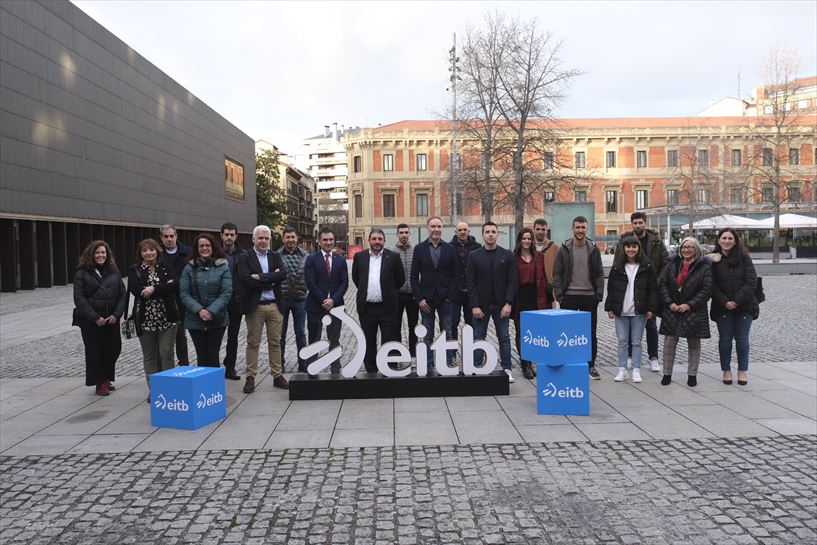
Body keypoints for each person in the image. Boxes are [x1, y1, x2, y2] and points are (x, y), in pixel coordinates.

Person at [615, 212, 669, 372]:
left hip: (650, 289)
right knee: (631, 325)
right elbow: (618, 262)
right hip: (630, 288)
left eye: (640, 223)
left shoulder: (656, 242)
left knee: (651, 325)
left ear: (645, 223)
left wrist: (656, 282)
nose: (638, 225)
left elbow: (665, 263)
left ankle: (653, 358)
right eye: (635, 223)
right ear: (632, 224)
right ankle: (630, 356)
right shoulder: (624, 241)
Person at [552, 216, 605, 380]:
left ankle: (591, 366)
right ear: (572, 229)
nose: (580, 230)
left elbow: (599, 273)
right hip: (570, 297)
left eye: (583, 227)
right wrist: (561, 296)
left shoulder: (593, 249)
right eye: (577, 227)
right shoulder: (564, 249)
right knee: (568, 334)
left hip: (589, 297)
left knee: (590, 333)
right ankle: (570, 365)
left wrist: (598, 295)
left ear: (586, 229)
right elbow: (557, 274)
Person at [72, 240, 127, 396]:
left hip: (111, 320)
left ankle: (107, 376)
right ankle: (100, 382)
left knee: (113, 349)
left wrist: (117, 314)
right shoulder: (81, 273)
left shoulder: (114, 272)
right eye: (97, 252)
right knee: (95, 352)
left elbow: (122, 293)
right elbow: (79, 298)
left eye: (103, 252)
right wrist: (95, 317)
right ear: (91, 255)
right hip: (91, 321)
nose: (101, 255)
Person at [238, 225, 288, 392]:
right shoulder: (245, 257)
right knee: (253, 343)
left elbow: (283, 274)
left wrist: (260, 277)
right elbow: (246, 280)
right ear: (253, 239)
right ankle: (250, 377)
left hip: (274, 305)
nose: (263, 241)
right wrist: (271, 280)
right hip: (255, 307)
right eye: (260, 238)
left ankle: (277, 375)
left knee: (275, 342)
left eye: (266, 238)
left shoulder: (275, 255)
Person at [658, 237, 713, 387]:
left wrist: (689, 304)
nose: (686, 250)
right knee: (669, 344)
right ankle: (667, 374)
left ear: (696, 249)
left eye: (690, 247)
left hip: (694, 310)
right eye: (684, 247)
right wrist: (670, 303)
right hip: (673, 309)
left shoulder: (704, 267)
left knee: (694, 344)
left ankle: (692, 375)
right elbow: (662, 284)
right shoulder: (672, 264)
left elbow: (706, 289)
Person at [467, 222, 517, 382]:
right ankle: (476, 367)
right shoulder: (474, 255)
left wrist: (509, 303)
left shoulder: (507, 255)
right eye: (487, 232)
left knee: (504, 337)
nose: (490, 234)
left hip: (501, 305)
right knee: (478, 337)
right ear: (482, 234)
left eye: (493, 231)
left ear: (497, 234)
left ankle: (507, 369)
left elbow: (512, 280)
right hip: (481, 305)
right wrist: (474, 305)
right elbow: (470, 282)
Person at [127, 239, 179, 395]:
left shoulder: (165, 267)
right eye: (144, 250)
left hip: (167, 319)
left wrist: (153, 289)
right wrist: (163, 287)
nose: (149, 253)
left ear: (157, 251)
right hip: (145, 320)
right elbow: (136, 290)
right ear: (140, 253)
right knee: (149, 355)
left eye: (152, 250)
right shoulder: (134, 269)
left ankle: (169, 388)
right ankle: (155, 390)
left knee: (166, 353)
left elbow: (175, 285)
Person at [707, 228, 758, 386]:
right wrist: (725, 301)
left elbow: (751, 282)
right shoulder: (713, 259)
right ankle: (726, 370)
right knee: (725, 339)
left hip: (744, 305)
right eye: (724, 238)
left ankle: (742, 370)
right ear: (719, 240)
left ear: (735, 241)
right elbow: (710, 284)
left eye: (730, 238)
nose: (726, 241)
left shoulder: (744, 257)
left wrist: (736, 301)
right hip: (722, 306)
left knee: (742, 339)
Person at [605, 235, 659, 384]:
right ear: (624, 248)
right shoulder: (617, 266)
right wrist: (610, 307)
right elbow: (611, 288)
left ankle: (636, 369)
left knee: (636, 341)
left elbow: (652, 289)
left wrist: (651, 308)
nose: (631, 249)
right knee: (622, 341)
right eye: (628, 246)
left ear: (638, 248)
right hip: (621, 311)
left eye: (634, 246)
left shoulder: (646, 266)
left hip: (639, 311)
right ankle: (622, 370)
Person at [352, 228, 406, 373]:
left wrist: (389, 292)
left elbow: (400, 279)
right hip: (367, 308)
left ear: (384, 241)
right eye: (374, 239)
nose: (377, 242)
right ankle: (371, 369)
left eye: (379, 239)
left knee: (389, 339)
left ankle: (389, 367)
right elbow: (357, 279)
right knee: (368, 340)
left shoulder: (393, 257)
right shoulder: (359, 257)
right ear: (369, 240)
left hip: (387, 307)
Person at [411, 216, 460, 372]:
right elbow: (413, 276)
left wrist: (450, 296)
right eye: (433, 226)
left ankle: (446, 364)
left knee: (447, 332)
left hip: (445, 299)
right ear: (428, 228)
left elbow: (456, 276)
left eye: (439, 226)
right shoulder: (419, 249)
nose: (436, 229)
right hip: (426, 300)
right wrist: (419, 299)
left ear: (442, 228)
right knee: (427, 334)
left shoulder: (450, 249)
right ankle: (428, 364)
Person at [179, 234, 232, 368]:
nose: (204, 248)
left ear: (213, 247)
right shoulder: (189, 268)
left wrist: (210, 311)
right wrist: (200, 310)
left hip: (217, 318)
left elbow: (226, 293)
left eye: (207, 245)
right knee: (201, 356)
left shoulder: (223, 267)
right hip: (195, 318)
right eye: (201, 246)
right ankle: (202, 388)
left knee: (213, 355)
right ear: (196, 249)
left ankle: (214, 388)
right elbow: (184, 293)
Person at [304, 227, 348, 375]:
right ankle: (312, 367)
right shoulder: (311, 259)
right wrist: (324, 300)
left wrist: (333, 300)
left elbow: (344, 283)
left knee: (334, 339)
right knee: (314, 338)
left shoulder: (341, 260)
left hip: (336, 307)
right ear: (319, 241)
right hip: (316, 306)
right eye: (325, 240)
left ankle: (335, 367)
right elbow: (310, 282)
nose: (328, 242)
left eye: (331, 240)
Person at [512, 228, 548, 379]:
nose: (526, 241)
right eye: (523, 239)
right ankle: (524, 363)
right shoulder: (513, 257)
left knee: (536, 333)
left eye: (529, 239)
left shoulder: (539, 256)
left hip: (536, 298)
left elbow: (543, 278)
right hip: (520, 298)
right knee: (521, 333)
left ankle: (534, 362)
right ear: (519, 240)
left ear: (532, 241)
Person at [277, 227, 309, 372]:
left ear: (297, 239)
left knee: (300, 333)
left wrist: (305, 289)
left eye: (293, 237)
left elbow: (310, 276)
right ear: (283, 239)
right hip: (282, 299)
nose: (290, 240)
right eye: (287, 237)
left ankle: (303, 364)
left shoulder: (305, 256)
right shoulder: (276, 255)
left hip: (300, 299)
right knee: (280, 334)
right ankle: (280, 364)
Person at [160, 224, 191, 365]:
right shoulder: (157, 254)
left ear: (176, 236)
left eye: (171, 236)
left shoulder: (188, 253)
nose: (169, 239)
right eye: (166, 237)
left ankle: (183, 362)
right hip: (163, 299)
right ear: (161, 238)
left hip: (182, 298)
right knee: (163, 335)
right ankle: (164, 365)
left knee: (180, 334)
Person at [450, 222, 480, 345]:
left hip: (471, 293)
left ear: (469, 231)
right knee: (453, 323)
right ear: (456, 232)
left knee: (472, 323)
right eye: (460, 229)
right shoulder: (449, 247)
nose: (462, 232)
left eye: (465, 229)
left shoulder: (477, 247)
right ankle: (451, 353)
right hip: (454, 292)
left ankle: (471, 350)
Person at [220, 222, 243, 380]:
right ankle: (214, 367)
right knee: (216, 336)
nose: (229, 237)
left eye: (231, 234)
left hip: (236, 300)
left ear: (236, 236)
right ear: (221, 235)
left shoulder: (243, 254)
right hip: (218, 301)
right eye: (226, 234)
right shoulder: (213, 253)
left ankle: (230, 367)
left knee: (233, 336)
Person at [393, 223, 419, 356]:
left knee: (413, 326)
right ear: (397, 234)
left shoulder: (416, 251)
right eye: (401, 233)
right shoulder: (391, 252)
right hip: (397, 295)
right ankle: (397, 354)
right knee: (395, 326)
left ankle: (413, 354)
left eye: (406, 232)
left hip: (413, 295)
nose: (404, 235)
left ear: (409, 234)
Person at [532, 218, 559, 307]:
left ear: (546, 231)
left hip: (549, 291)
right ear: (533, 230)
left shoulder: (555, 248)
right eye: (538, 229)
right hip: (531, 290)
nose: (540, 232)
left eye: (543, 229)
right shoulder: (526, 246)